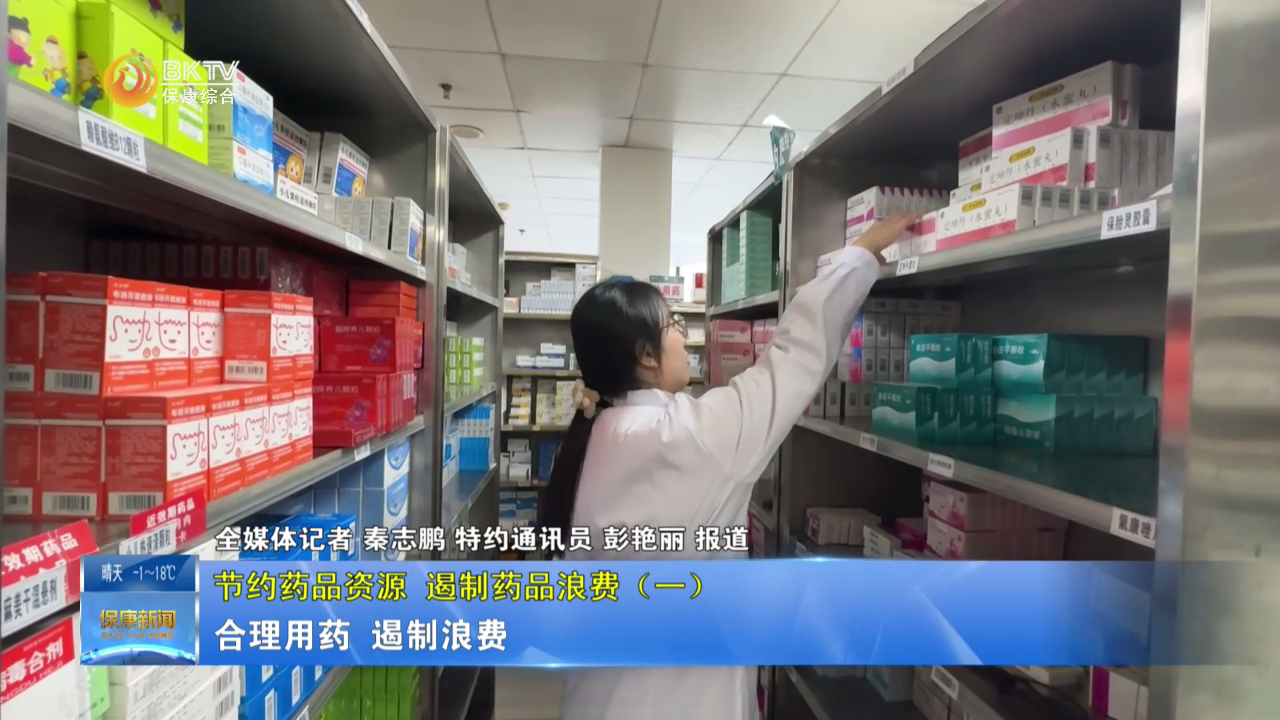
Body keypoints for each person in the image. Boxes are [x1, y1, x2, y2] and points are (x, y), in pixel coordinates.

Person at [538, 215, 919, 720]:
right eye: (674, 326)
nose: (684, 339)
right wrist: (859, 256)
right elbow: (792, 358)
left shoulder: (586, 439)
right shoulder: (693, 437)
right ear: (646, 354)